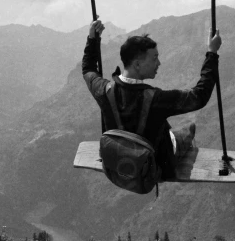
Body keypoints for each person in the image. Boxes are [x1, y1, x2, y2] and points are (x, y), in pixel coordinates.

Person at [82, 18, 222, 180]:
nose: (159, 63)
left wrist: (93, 38)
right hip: (153, 169)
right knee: (188, 129)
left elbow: (88, 70)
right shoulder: (156, 99)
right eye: (154, 58)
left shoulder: (104, 91)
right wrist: (212, 53)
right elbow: (199, 96)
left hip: (117, 164)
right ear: (137, 65)